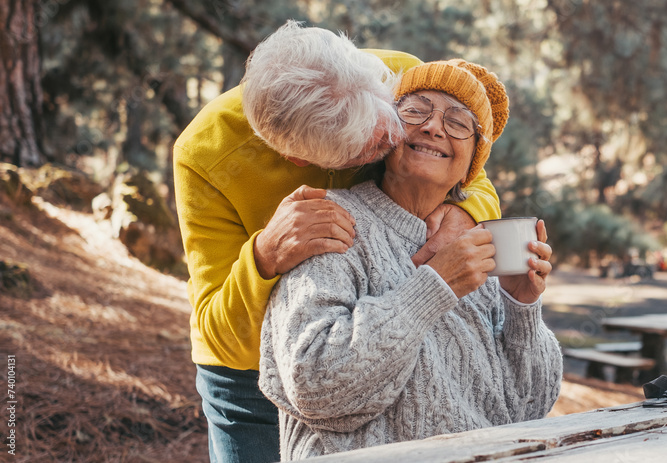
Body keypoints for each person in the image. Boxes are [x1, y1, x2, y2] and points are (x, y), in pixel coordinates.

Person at [172, 22, 501, 463]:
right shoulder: (203, 156)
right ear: (298, 160)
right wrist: (264, 255)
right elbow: (220, 332)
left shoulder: (402, 77)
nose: (395, 141)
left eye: (392, 120)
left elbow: (471, 166)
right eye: (370, 150)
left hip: (368, 343)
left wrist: (468, 211)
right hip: (247, 383)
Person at [258, 59, 563, 460]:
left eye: (457, 122)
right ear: (388, 132)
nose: (434, 127)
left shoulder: (478, 246)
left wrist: (522, 307)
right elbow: (314, 384)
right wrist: (434, 286)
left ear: (472, 163)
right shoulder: (331, 220)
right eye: (416, 110)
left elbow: (529, 406)